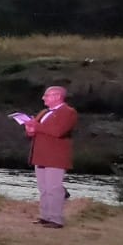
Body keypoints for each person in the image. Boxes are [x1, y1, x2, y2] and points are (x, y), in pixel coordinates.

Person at [24, 85, 78, 229]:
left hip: (55, 156)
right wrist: (30, 130)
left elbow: (58, 131)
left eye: (46, 96)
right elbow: (37, 131)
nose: (43, 98)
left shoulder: (68, 112)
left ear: (57, 96)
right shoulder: (44, 112)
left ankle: (56, 219)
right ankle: (45, 216)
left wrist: (36, 126)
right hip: (40, 155)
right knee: (44, 188)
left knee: (54, 188)